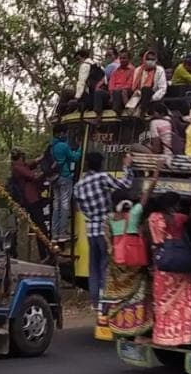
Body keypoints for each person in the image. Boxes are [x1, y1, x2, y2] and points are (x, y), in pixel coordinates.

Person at [104, 177, 154, 339]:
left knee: (120, 299)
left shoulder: (109, 219)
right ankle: (138, 328)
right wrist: (156, 174)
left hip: (117, 263)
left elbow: (108, 243)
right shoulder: (134, 214)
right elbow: (147, 196)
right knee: (139, 295)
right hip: (135, 262)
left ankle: (120, 326)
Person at [72, 152, 123, 308]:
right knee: (106, 266)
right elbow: (123, 185)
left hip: (90, 229)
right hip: (105, 228)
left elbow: (78, 207)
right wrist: (128, 168)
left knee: (93, 267)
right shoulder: (102, 177)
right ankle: (106, 301)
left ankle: (95, 301)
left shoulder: (79, 185)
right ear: (101, 164)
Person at [147, 189, 191, 347]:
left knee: (162, 303)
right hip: (179, 264)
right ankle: (181, 336)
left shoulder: (153, 218)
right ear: (174, 205)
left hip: (161, 264)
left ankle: (163, 336)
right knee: (182, 302)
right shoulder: (180, 218)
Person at [10, 148, 50, 260]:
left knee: (40, 227)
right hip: (30, 200)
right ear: (20, 158)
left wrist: (43, 156)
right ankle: (44, 253)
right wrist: (47, 171)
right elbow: (33, 176)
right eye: (23, 157)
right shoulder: (18, 168)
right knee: (40, 227)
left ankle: (45, 252)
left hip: (34, 199)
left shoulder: (22, 166)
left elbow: (32, 163)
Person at [49, 127, 82, 243]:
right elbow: (75, 157)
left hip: (53, 178)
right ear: (60, 133)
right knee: (64, 204)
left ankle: (54, 234)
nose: (65, 135)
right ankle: (63, 233)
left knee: (56, 205)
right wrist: (81, 148)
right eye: (64, 133)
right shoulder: (63, 146)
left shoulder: (51, 146)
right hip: (64, 176)